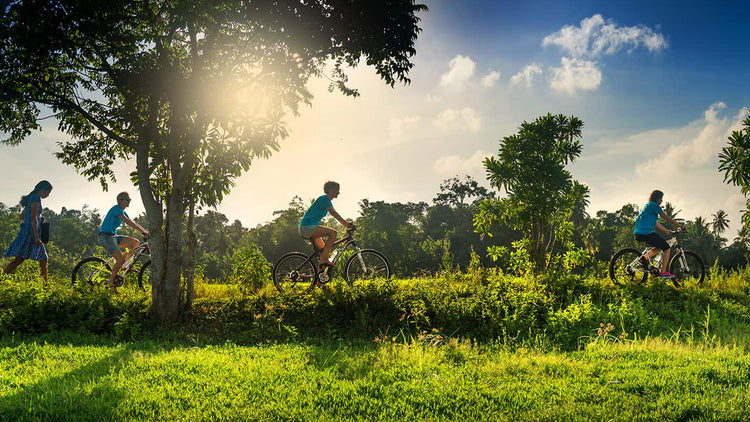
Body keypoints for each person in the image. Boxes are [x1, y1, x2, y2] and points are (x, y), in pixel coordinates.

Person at [98, 192, 149, 293]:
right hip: (105, 237)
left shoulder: (122, 211)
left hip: (112, 236)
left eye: (129, 199)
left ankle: (123, 265)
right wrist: (142, 231)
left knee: (135, 242)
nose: (129, 201)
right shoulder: (116, 208)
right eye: (127, 199)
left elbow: (132, 222)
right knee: (120, 259)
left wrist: (145, 231)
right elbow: (127, 221)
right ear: (120, 200)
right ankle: (111, 284)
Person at [3, 181, 53, 281]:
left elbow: (22, 216)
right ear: (42, 189)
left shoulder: (31, 198)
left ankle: (2, 276)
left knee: (20, 259)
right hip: (31, 232)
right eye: (47, 192)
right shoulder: (35, 198)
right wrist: (36, 237)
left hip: (27, 230)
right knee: (42, 259)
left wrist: (39, 218)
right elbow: (33, 218)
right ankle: (45, 285)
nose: (48, 195)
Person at [299, 181, 353, 268]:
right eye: (337, 190)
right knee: (333, 233)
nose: (338, 192)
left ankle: (319, 280)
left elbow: (334, 212)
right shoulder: (323, 199)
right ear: (330, 190)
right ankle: (324, 260)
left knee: (324, 253)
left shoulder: (327, 201)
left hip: (309, 228)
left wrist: (346, 224)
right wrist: (346, 224)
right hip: (307, 227)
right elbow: (334, 213)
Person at [633, 189, 683, 279]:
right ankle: (663, 273)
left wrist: (665, 230)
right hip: (646, 233)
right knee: (667, 248)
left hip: (639, 233)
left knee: (660, 246)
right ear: (657, 198)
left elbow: (655, 223)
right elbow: (667, 218)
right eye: (661, 198)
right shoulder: (654, 205)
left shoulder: (648, 206)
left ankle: (643, 259)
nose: (662, 200)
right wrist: (680, 226)